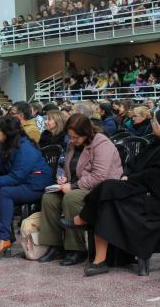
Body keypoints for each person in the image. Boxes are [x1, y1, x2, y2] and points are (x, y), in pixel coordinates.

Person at [63, 107, 160, 277]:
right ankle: (100, 259)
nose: (152, 124)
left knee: (108, 187)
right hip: (143, 191)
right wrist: (127, 174)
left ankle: (83, 220)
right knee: (107, 198)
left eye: (155, 121)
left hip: (159, 201)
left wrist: (131, 179)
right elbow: (135, 163)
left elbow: (158, 177)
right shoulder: (157, 143)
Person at [38, 114, 122, 266]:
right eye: (70, 136)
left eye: (76, 137)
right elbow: (69, 167)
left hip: (100, 189)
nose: (72, 140)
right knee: (49, 198)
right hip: (77, 185)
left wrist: (73, 186)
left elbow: (99, 176)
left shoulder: (101, 143)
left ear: (86, 133)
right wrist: (65, 179)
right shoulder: (72, 144)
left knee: (71, 198)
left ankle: (76, 249)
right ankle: (55, 245)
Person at [0, 115, 52, 260]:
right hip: (20, 183)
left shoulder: (26, 147)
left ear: (7, 133)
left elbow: (16, 176)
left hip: (35, 185)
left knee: (5, 192)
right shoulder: (2, 146)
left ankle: (3, 238)